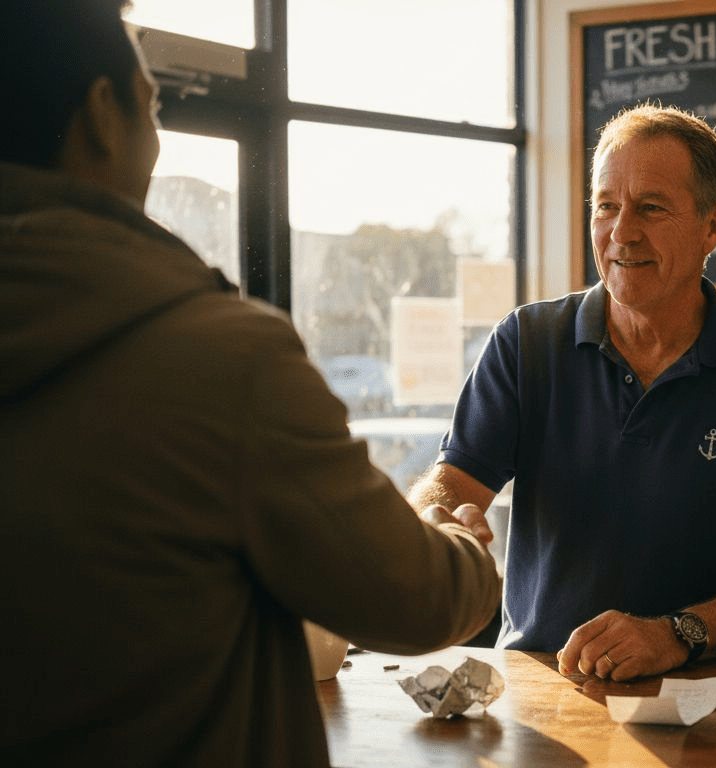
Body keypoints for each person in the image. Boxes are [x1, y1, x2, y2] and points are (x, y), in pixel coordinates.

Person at [0, 2, 501, 766]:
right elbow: (412, 596)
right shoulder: (219, 359)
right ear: (103, 114)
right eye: (153, 102)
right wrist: (468, 549)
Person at [407, 103, 716, 682]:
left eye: (651, 208)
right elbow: (451, 482)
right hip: (540, 685)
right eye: (605, 206)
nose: (621, 232)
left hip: (707, 695)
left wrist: (675, 634)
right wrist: (434, 519)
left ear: (714, 225)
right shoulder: (526, 343)